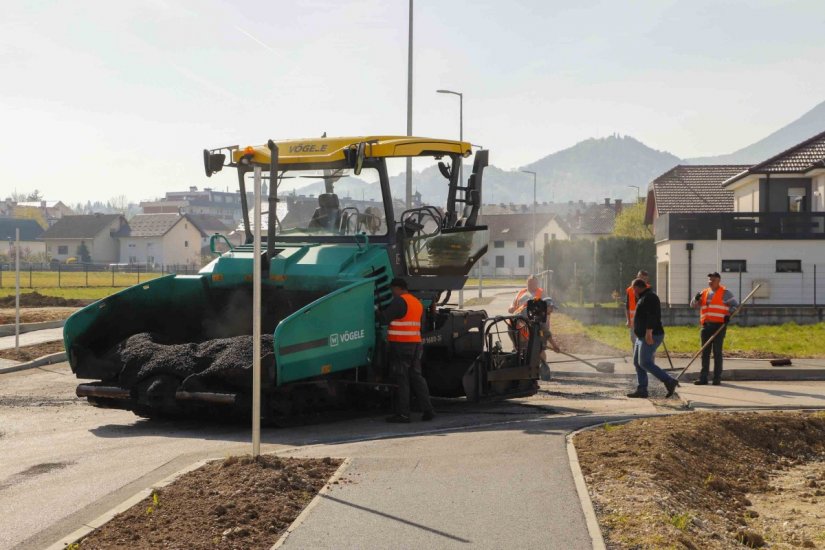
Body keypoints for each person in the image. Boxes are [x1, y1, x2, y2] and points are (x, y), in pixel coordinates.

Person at [381, 277, 435, 423]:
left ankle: (403, 414)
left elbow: (384, 318)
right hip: (415, 344)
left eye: (392, 290)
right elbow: (421, 326)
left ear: (398, 288)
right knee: (417, 377)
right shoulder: (416, 302)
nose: (392, 293)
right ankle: (428, 410)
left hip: (401, 345)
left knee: (402, 378)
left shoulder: (399, 301)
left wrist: (376, 311)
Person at [627, 278, 679, 399]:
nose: (633, 292)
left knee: (645, 362)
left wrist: (649, 332)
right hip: (641, 336)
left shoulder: (650, 297)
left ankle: (669, 381)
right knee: (637, 362)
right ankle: (642, 389)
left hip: (651, 335)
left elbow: (653, 316)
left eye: (633, 289)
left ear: (637, 288)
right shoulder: (643, 297)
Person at [690, 272, 740, 385]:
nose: (710, 282)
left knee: (717, 352)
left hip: (719, 326)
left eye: (712, 280)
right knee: (705, 353)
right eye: (709, 280)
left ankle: (717, 378)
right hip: (706, 326)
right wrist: (696, 299)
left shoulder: (725, 293)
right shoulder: (704, 293)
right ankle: (703, 378)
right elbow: (693, 305)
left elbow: (736, 306)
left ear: (718, 281)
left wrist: (728, 315)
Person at [625, 270, 650, 346]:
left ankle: (646, 356)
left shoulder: (649, 290)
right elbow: (627, 306)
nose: (641, 280)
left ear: (647, 279)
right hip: (634, 322)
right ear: (637, 277)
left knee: (645, 340)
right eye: (640, 277)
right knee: (634, 340)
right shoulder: (630, 290)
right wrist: (628, 320)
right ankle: (636, 356)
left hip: (645, 322)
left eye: (643, 278)